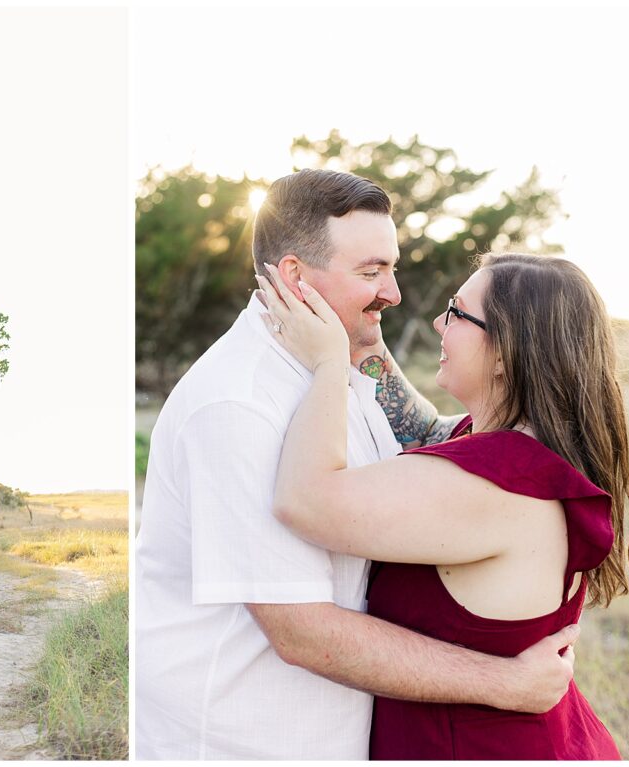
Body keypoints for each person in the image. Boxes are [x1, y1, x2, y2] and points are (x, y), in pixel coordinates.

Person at [135, 169, 580, 760]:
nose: (395, 294)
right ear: (294, 276)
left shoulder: (335, 367)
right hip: (244, 739)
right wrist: (507, 683)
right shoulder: (238, 404)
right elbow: (299, 631)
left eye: (392, 268)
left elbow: (433, 442)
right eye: (372, 272)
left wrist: (357, 331)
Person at [256, 251, 629, 759]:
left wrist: (327, 365)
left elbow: (305, 501)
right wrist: (362, 335)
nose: (438, 321)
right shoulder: (523, 447)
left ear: (505, 353)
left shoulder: (492, 485)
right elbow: (422, 431)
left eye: (456, 312)